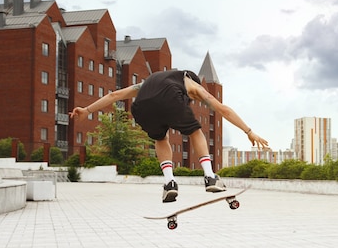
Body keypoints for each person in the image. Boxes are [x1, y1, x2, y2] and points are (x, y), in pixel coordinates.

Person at [69, 69, 268, 202]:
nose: (191, 98)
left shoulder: (147, 82)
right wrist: (249, 131)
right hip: (170, 99)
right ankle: (210, 177)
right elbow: (222, 109)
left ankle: (169, 182)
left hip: (141, 108)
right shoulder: (191, 83)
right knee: (195, 131)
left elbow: (115, 95)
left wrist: (87, 110)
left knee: (160, 138)